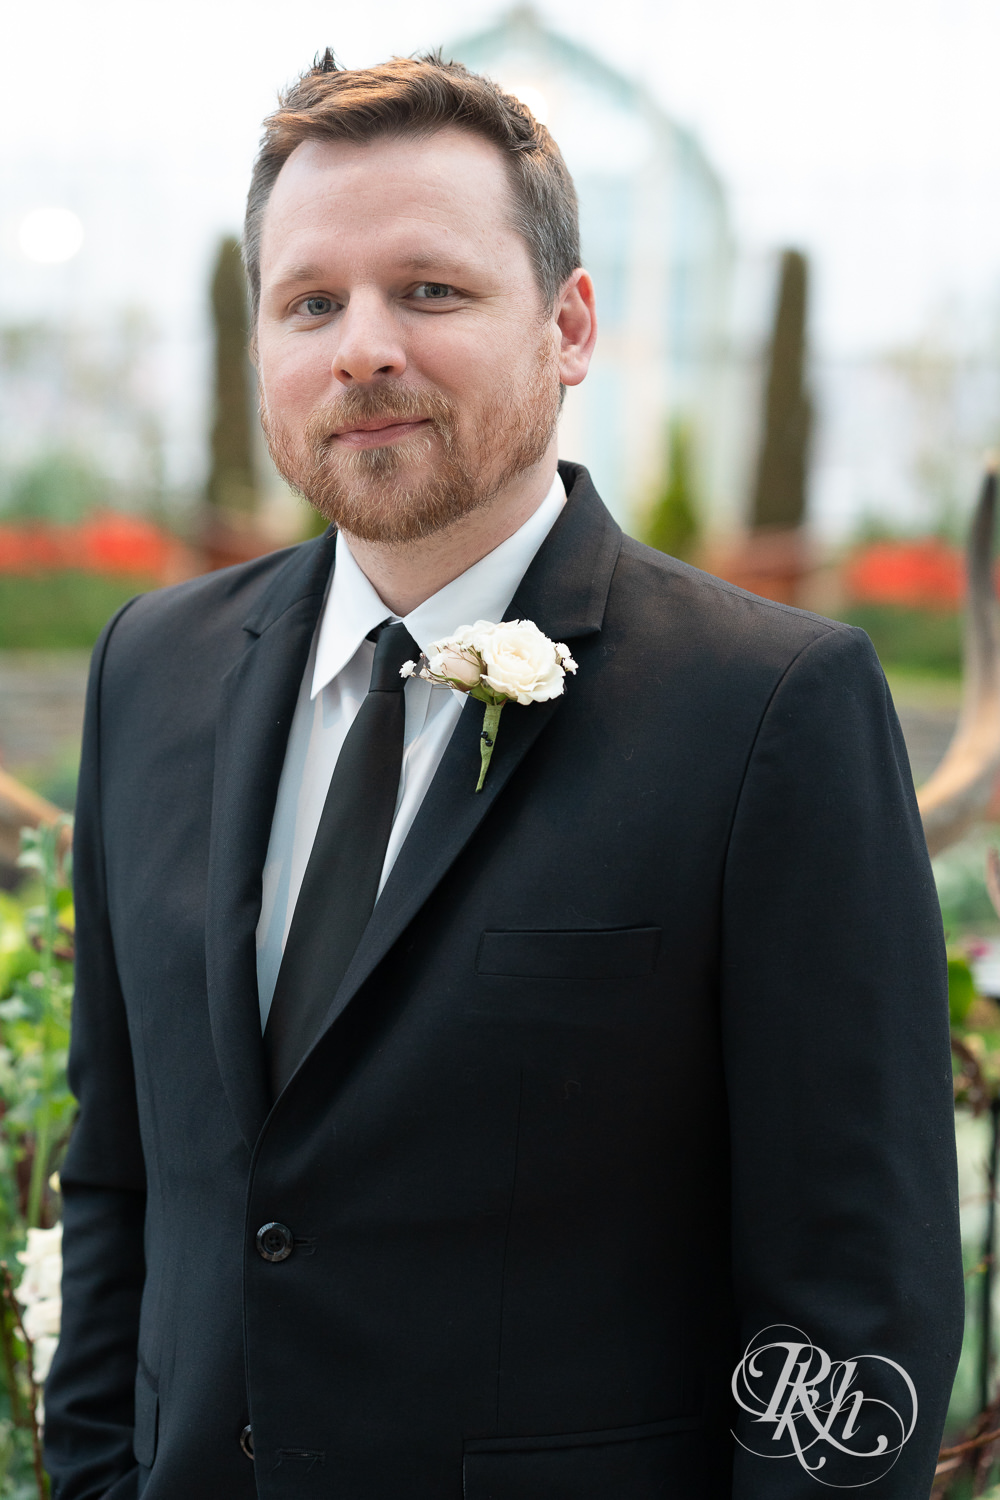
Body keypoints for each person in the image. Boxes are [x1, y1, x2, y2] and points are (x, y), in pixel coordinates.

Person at [44, 51, 963, 1500]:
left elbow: (853, 1293)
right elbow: (119, 1179)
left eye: (431, 291)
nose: (362, 348)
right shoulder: (150, 668)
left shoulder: (773, 707)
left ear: (571, 323)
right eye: (311, 302)